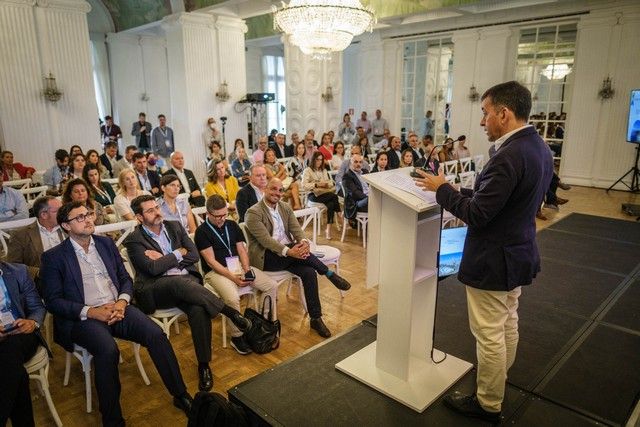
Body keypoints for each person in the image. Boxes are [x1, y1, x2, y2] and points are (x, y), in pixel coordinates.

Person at [414, 81, 553, 423]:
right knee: (507, 322)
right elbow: (498, 197)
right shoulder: (538, 147)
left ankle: (488, 402)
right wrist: (455, 188)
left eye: (485, 113)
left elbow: (477, 213)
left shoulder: (509, 155)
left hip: (494, 258)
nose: (482, 121)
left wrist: (443, 188)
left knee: (489, 332)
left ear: (504, 114)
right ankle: (498, 380)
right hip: (518, 251)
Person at [41, 201, 194, 425]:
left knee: (156, 334)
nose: (88, 219)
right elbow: (53, 301)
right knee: (107, 350)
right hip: (84, 318)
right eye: (80, 217)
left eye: (88, 214)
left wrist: (122, 303)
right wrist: (91, 312)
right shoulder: (54, 256)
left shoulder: (105, 243)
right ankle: (112, 419)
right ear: (65, 225)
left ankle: (180, 395)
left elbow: (124, 278)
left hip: (118, 307)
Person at [124, 195, 251, 392]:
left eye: (157, 207)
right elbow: (152, 269)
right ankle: (229, 311)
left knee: (198, 308)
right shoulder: (134, 240)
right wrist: (176, 253)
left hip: (188, 285)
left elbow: (192, 254)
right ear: (139, 217)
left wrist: (165, 258)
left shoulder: (174, 226)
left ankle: (203, 365)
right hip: (156, 290)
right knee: (176, 282)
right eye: (150, 211)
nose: (157, 212)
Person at [245, 178, 351, 338]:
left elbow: (297, 230)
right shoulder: (253, 212)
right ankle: (329, 273)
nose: (277, 193)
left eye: (280, 190)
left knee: (309, 272)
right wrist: (290, 251)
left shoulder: (284, 207)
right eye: (273, 189)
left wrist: (303, 243)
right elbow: (266, 241)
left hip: (289, 254)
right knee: (303, 258)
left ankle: (316, 318)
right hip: (266, 258)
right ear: (265, 189)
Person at [195, 195, 278, 355]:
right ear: (208, 214)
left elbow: (241, 249)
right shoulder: (202, 232)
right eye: (217, 216)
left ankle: (262, 321)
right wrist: (234, 278)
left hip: (238, 267)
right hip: (215, 273)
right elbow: (211, 262)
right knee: (232, 298)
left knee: (271, 285)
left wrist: (246, 269)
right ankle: (237, 336)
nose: (222, 219)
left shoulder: (232, 225)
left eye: (224, 214)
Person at [0, 261, 49, 427]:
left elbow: (37, 307)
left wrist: (32, 323)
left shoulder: (18, 271)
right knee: (14, 370)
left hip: (22, 334)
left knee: (10, 347)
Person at [7, 196, 64, 294]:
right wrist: (39, 272)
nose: (63, 214)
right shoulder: (21, 235)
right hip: (43, 283)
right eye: (58, 211)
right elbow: (13, 266)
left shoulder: (68, 228)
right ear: (44, 215)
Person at [302, 152, 342, 240]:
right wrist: (316, 184)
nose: (319, 162)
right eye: (317, 159)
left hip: (324, 193)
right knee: (334, 196)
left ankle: (328, 230)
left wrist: (328, 185)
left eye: (321, 160)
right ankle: (340, 214)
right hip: (312, 195)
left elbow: (330, 182)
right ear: (313, 160)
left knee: (331, 204)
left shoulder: (323, 170)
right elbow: (304, 185)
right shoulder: (307, 170)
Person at [342, 154, 369, 219]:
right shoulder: (347, 176)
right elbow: (354, 193)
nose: (358, 164)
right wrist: (369, 197)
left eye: (360, 162)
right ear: (351, 163)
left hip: (367, 197)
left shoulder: (365, 172)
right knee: (373, 200)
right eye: (356, 162)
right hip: (357, 202)